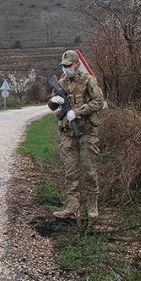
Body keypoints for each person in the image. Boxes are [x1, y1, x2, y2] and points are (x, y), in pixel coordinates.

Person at [48, 50, 104, 219]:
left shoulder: (88, 80)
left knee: (89, 170)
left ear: (77, 64)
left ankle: (92, 206)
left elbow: (99, 102)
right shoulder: (61, 83)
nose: (66, 69)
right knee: (70, 172)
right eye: (63, 66)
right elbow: (53, 107)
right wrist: (53, 102)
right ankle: (73, 206)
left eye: (68, 66)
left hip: (87, 132)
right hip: (68, 134)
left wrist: (78, 111)